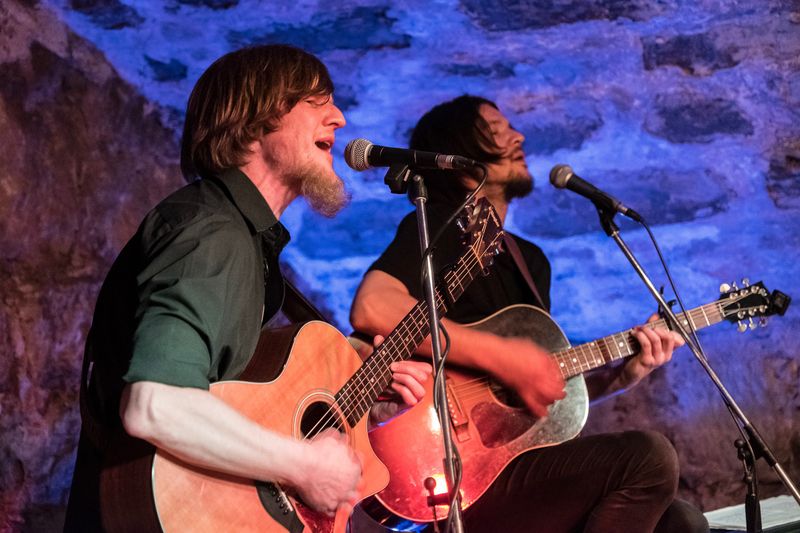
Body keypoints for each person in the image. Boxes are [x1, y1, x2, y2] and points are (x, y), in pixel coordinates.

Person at [63, 44, 430, 532]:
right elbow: (154, 403)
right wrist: (304, 465)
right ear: (256, 122)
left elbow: (237, 402)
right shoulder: (212, 233)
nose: (339, 118)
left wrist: (360, 408)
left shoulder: (242, 240)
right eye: (316, 102)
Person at [349, 95, 709, 532]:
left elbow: (530, 398)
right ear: (459, 155)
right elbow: (373, 307)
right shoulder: (439, 227)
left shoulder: (530, 261)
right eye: (497, 131)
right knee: (649, 457)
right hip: (451, 471)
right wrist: (503, 357)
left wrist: (621, 376)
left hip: (516, 466)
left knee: (682, 522)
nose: (518, 137)